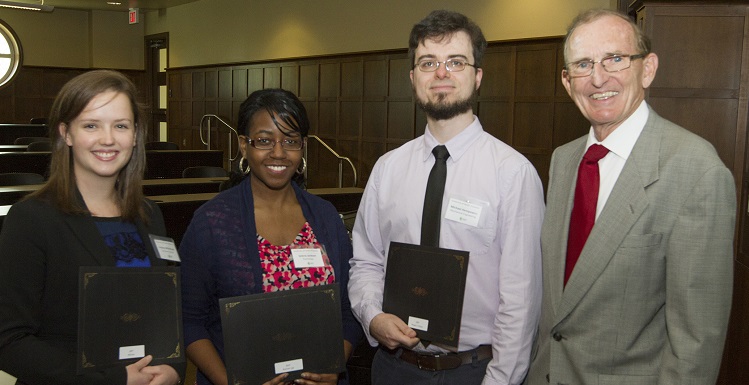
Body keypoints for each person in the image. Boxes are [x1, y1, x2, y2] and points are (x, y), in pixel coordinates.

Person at [524, 9, 736, 385]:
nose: (598, 78)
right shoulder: (564, 160)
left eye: (615, 59)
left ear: (648, 69)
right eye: (583, 64)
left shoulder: (696, 171)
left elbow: (696, 343)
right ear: (567, 82)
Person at [348, 10, 545, 385]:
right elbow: (367, 261)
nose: (441, 73)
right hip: (393, 368)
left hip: (472, 372)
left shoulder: (513, 174)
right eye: (428, 62)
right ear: (413, 77)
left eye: (456, 61)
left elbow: (521, 299)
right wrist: (372, 316)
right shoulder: (387, 169)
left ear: (478, 76)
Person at [0, 70, 183, 385]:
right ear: (66, 134)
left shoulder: (150, 215)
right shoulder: (30, 219)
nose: (108, 139)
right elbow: (9, 341)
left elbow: (164, 313)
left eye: (121, 126)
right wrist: (112, 379)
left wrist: (173, 369)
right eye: (91, 125)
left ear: (136, 134)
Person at [179, 88, 363, 385]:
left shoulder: (325, 217)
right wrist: (230, 382)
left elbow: (348, 308)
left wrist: (335, 362)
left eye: (290, 141)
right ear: (243, 145)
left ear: (303, 146)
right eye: (264, 141)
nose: (278, 153)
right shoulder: (212, 222)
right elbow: (190, 321)